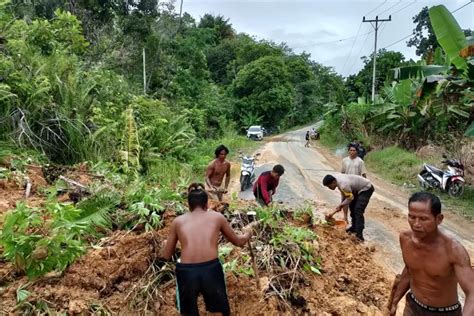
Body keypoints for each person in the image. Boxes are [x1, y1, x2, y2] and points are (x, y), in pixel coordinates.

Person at [161, 183, 255, 316]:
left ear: (189, 205)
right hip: (210, 269)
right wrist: (248, 234)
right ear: (206, 204)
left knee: (188, 312)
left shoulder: (178, 221)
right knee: (218, 310)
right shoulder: (217, 217)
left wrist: (163, 245)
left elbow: (166, 255)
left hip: (186, 272)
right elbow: (238, 242)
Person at [389, 192, 474, 316]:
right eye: (412, 217)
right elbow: (410, 270)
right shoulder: (405, 239)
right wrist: (395, 301)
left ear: (439, 219)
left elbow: (472, 292)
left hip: (445, 313)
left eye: (423, 219)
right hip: (413, 307)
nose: (416, 224)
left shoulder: (453, 250)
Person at [322, 174, 374, 241]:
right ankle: (354, 228)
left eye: (329, 186)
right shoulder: (338, 182)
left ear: (333, 182)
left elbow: (350, 198)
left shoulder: (343, 185)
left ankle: (359, 236)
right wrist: (344, 215)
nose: (329, 188)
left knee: (358, 210)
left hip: (366, 188)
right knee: (352, 206)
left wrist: (341, 205)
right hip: (357, 190)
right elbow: (345, 198)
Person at [341, 144, 367, 223]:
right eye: (350, 150)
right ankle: (345, 217)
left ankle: (354, 220)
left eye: (354, 150)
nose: (352, 152)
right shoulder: (344, 160)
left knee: (354, 202)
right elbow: (342, 172)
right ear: (348, 151)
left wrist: (364, 184)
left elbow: (363, 174)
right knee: (344, 200)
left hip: (356, 185)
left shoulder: (360, 161)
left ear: (357, 152)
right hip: (346, 184)